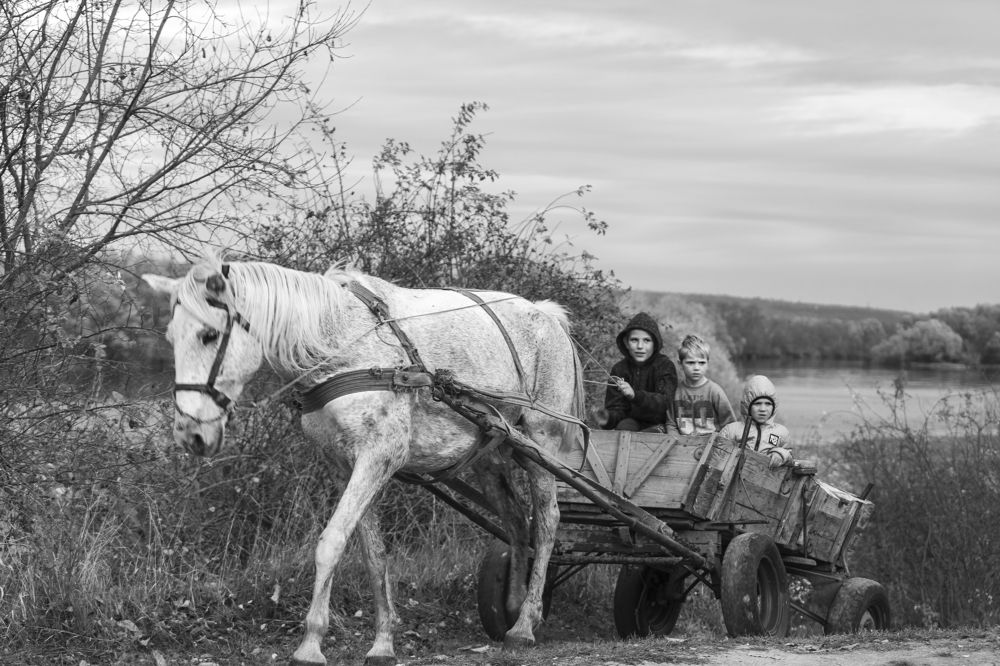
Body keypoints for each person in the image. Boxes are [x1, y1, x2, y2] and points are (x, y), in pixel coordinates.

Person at [599, 312, 678, 432]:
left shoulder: (665, 366)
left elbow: (666, 403)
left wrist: (635, 395)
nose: (640, 346)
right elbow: (617, 409)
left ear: (655, 343)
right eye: (634, 340)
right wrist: (607, 418)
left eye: (646, 341)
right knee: (624, 428)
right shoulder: (619, 369)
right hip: (632, 422)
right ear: (626, 343)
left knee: (654, 432)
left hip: (660, 424)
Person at [719, 375, 793, 469]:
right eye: (757, 404)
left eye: (768, 404)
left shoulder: (782, 432)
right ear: (747, 405)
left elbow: (790, 456)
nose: (763, 409)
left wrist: (781, 454)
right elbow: (717, 454)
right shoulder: (732, 430)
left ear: (774, 406)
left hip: (766, 480)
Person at [670, 334, 736, 435]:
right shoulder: (675, 392)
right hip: (682, 446)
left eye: (701, 363)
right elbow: (671, 424)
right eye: (691, 363)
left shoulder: (715, 391)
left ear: (708, 363)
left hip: (712, 445)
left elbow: (730, 425)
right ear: (680, 364)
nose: (696, 368)